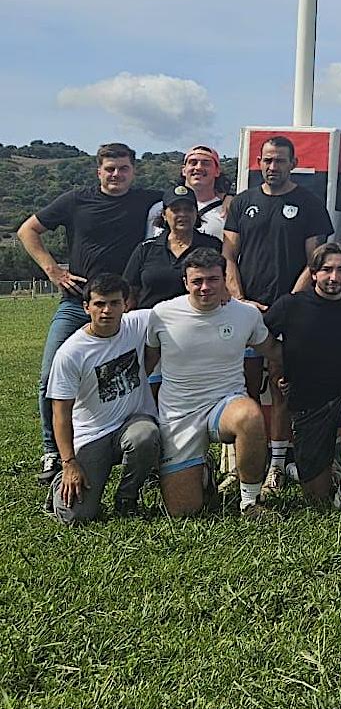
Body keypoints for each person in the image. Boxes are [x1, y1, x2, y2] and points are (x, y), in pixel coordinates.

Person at [19, 142, 162, 485]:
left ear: (134, 171)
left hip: (126, 306)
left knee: (140, 373)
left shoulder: (146, 199)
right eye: (110, 168)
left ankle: (149, 451)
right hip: (77, 303)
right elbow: (28, 230)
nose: (116, 175)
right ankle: (53, 452)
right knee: (50, 375)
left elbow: (193, 199)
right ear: (98, 171)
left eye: (123, 168)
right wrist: (53, 270)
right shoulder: (74, 200)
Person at [223, 135, 334, 488]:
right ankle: (243, 466)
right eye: (267, 161)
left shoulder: (310, 203)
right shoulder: (243, 203)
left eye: (280, 161)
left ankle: (277, 463)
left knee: (282, 385)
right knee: (246, 384)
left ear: (293, 162)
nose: (273, 167)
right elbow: (228, 256)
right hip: (246, 310)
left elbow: (313, 261)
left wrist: (289, 301)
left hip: (290, 310)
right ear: (259, 162)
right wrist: (239, 299)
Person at [145, 249, 280, 519]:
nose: (205, 287)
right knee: (184, 512)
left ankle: (249, 502)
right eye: (197, 281)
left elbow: (273, 350)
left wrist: (288, 373)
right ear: (185, 282)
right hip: (179, 413)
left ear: (224, 279)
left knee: (250, 415)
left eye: (213, 279)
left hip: (225, 403)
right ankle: (201, 471)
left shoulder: (245, 315)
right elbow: (147, 365)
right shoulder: (162, 314)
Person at [263, 243, 341, 510]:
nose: (334, 277)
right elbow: (261, 336)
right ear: (314, 273)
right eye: (327, 270)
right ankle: (300, 470)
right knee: (317, 497)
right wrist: (279, 367)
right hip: (308, 405)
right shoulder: (290, 305)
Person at [44, 274, 160, 522]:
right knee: (75, 517)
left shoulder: (138, 323)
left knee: (145, 435)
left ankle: (126, 499)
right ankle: (58, 487)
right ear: (86, 307)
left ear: (126, 304)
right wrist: (68, 463)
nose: (107, 311)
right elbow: (61, 414)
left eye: (114, 303)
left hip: (131, 423)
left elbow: (180, 309)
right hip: (92, 434)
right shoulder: (71, 353)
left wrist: (229, 298)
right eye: (99, 304)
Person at [124, 187, 225, 310]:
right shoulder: (146, 249)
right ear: (164, 215)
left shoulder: (213, 246)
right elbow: (129, 291)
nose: (182, 214)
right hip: (151, 321)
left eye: (188, 209)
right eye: (176, 210)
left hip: (198, 321)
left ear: (195, 213)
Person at [146, 145, 232, 239]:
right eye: (193, 163)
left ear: (217, 171)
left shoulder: (228, 211)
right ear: (184, 170)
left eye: (206, 163)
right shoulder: (158, 209)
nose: (198, 167)